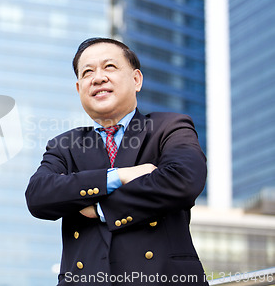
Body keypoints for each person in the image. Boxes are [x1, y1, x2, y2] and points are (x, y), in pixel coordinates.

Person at [25, 38, 208, 285]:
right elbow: (38, 195)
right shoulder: (65, 144)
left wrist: (101, 209)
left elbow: (184, 179)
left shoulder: (169, 127)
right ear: (80, 89)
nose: (98, 78)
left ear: (136, 80)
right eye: (88, 72)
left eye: (109, 67)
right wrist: (119, 176)